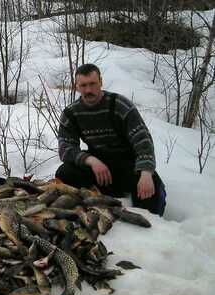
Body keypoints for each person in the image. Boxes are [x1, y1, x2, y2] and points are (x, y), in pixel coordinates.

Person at [56, 64, 166, 216]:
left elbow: (143, 141)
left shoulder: (119, 105)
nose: (88, 90)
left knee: (151, 192)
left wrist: (146, 172)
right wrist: (91, 160)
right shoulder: (71, 113)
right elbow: (65, 148)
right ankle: (84, 210)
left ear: (101, 82)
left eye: (93, 84)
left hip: (128, 164)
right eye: (83, 85)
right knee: (65, 173)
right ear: (77, 87)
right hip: (99, 166)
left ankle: (151, 228)